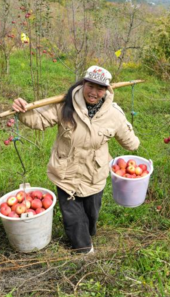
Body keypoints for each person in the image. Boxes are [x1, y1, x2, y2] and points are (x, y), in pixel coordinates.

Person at [11, 66, 140, 254]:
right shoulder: (65, 104)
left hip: (94, 174)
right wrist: (23, 110)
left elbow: (131, 144)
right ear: (83, 83)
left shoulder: (113, 115)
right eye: (90, 86)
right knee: (73, 216)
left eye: (100, 88)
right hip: (66, 173)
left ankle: (88, 233)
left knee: (91, 214)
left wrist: (129, 132)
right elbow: (39, 120)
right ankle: (84, 250)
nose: (94, 92)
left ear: (106, 90)